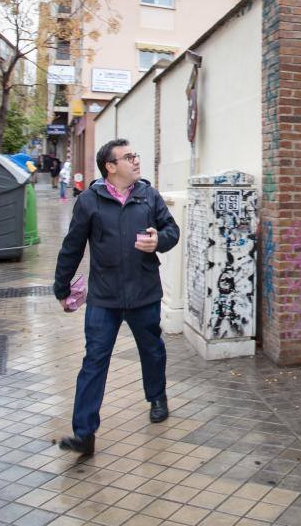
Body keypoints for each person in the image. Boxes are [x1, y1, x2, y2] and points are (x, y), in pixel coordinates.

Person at [53, 138, 180, 456]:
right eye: (129, 157)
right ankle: (84, 434)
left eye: (136, 155)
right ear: (110, 167)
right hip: (104, 297)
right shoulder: (90, 201)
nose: (136, 161)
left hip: (144, 292)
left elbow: (171, 230)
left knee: (152, 351)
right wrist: (61, 286)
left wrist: (159, 240)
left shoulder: (148, 195)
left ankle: (157, 397)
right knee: (94, 361)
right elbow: (73, 245)